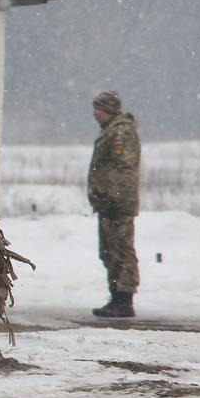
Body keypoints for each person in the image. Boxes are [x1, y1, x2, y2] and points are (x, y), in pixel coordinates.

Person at [87, 90, 141, 318]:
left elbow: (124, 168)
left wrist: (114, 196)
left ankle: (124, 300)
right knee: (109, 251)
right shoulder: (111, 130)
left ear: (107, 109)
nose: (94, 114)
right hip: (108, 202)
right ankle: (116, 296)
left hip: (117, 203)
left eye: (97, 109)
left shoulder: (121, 132)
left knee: (121, 250)